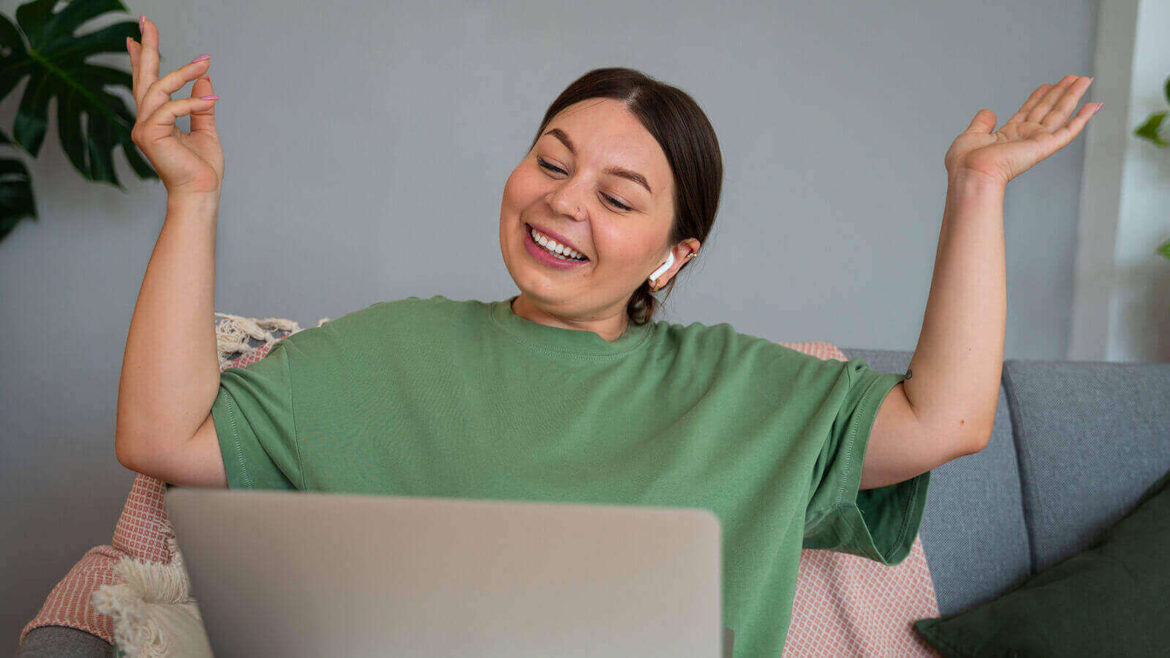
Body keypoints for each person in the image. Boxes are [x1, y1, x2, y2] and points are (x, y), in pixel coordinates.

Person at [114, 15, 1102, 656]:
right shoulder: (382, 353)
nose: (561, 201)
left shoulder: (748, 389)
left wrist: (977, 191)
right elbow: (164, 439)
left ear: (672, 256)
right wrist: (193, 196)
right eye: (551, 160)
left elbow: (949, 419)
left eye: (617, 197)